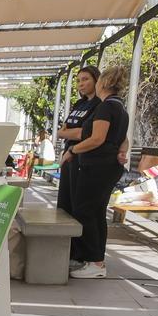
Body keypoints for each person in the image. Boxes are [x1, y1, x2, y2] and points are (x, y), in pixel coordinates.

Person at [62, 65, 131, 279]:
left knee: (84, 211)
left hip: (98, 166)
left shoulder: (105, 107)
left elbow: (96, 139)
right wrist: (121, 151)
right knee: (97, 212)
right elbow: (121, 138)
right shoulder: (119, 107)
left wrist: (72, 150)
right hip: (107, 166)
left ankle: (95, 261)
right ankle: (96, 259)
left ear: (102, 83)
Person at [55, 65, 101, 240]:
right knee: (65, 202)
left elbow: (85, 133)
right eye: (78, 80)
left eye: (85, 79)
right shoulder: (79, 104)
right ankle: (67, 245)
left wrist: (68, 133)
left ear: (96, 80)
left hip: (83, 158)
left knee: (79, 205)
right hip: (69, 156)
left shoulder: (99, 105)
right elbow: (62, 131)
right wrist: (68, 133)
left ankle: (80, 247)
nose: (81, 84)